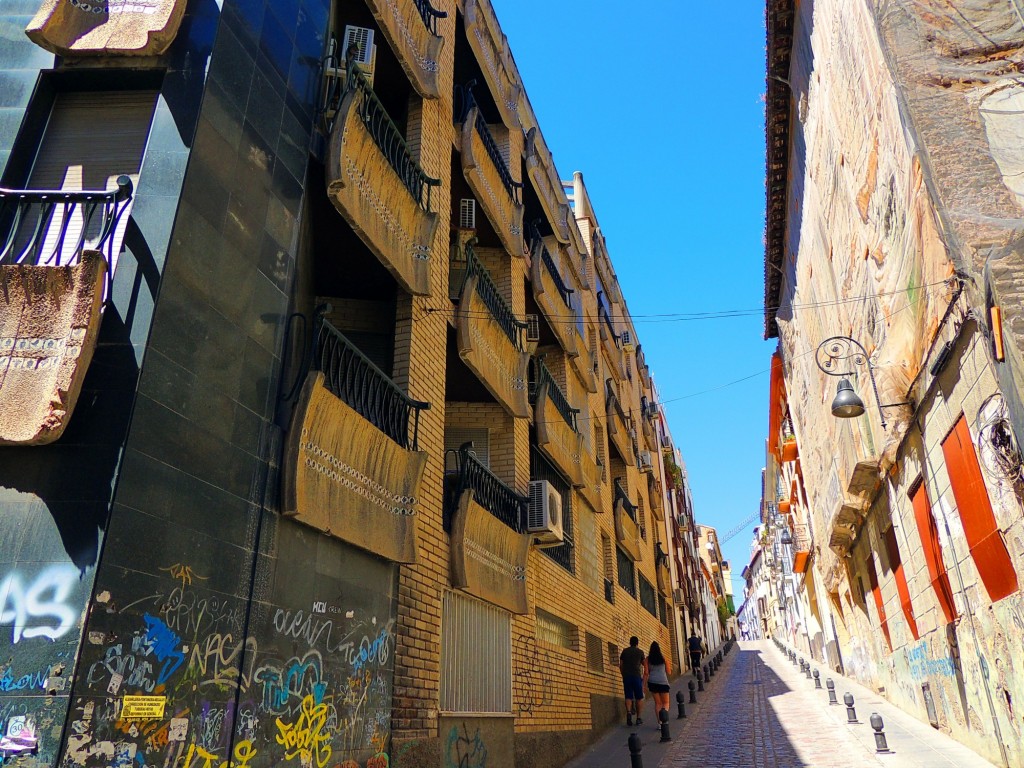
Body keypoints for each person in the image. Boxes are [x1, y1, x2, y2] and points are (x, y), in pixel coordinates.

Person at [618, 636, 646, 726]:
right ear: (637, 643)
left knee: (628, 696)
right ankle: (638, 718)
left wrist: (623, 674)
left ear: (630, 642)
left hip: (627, 677)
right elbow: (644, 664)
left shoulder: (624, 651)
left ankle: (629, 713)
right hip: (636, 676)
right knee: (639, 697)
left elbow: (621, 665)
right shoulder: (640, 652)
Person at [645, 641, 671, 722]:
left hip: (652, 682)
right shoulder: (664, 658)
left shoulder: (647, 659)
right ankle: (665, 719)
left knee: (658, 703)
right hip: (663, 682)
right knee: (666, 703)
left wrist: (644, 685)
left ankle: (659, 723)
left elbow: (646, 672)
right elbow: (669, 672)